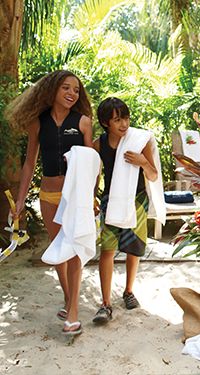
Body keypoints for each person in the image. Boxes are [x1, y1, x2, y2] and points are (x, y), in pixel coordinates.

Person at [5, 70, 93, 334]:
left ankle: (73, 312)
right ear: (53, 90)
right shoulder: (38, 122)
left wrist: (92, 196)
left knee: (75, 250)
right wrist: (20, 200)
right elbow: (30, 162)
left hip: (76, 196)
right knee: (58, 253)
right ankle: (68, 298)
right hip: (49, 196)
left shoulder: (83, 122)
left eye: (76, 90)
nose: (72, 93)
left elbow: (91, 164)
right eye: (66, 88)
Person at [92, 97, 159, 324]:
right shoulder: (99, 144)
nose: (124, 124)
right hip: (110, 200)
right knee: (108, 250)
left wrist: (142, 161)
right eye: (117, 120)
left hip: (137, 200)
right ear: (105, 123)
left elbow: (153, 176)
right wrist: (92, 196)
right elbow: (94, 173)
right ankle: (105, 304)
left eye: (126, 118)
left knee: (133, 248)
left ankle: (129, 292)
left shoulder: (140, 141)